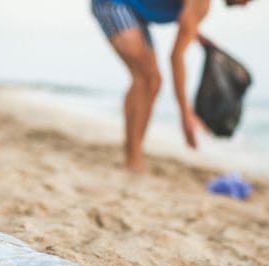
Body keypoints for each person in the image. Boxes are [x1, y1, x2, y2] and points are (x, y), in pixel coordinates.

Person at [92, 0, 251, 171]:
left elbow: (183, 18)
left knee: (152, 82)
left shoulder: (200, 7)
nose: (249, 4)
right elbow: (176, 57)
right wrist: (186, 114)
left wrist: (193, 31)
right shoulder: (201, 4)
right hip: (112, 3)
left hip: (134, 12)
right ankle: (133, 159)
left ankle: (133, 155)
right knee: (146, 78)